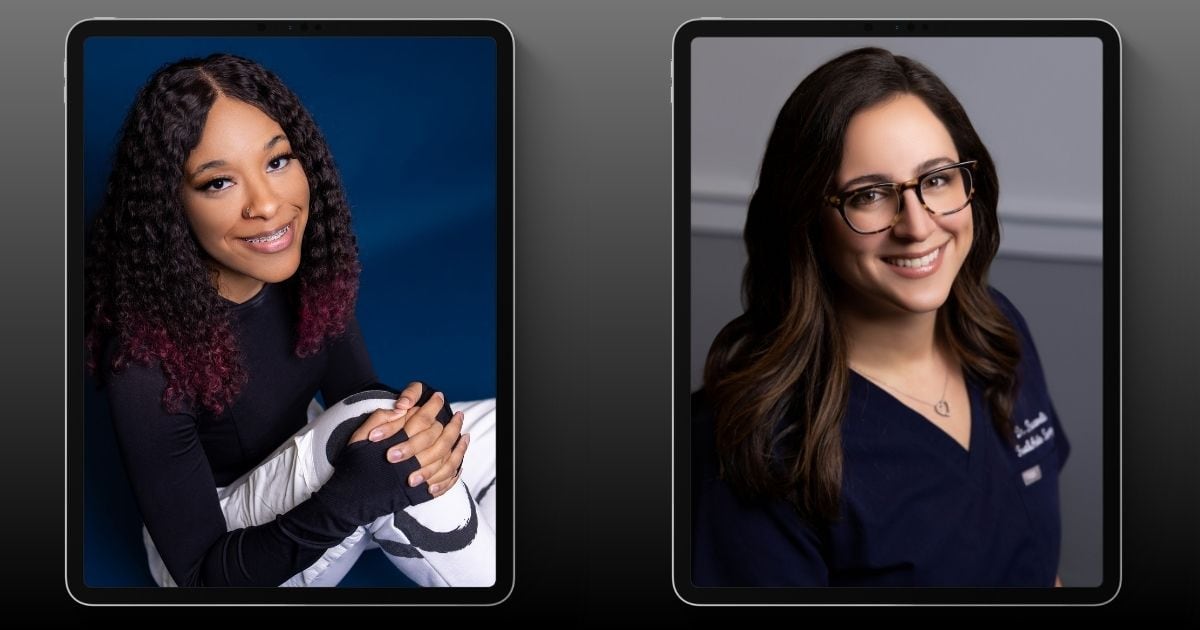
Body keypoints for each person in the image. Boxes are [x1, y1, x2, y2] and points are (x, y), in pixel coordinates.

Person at [85, 53, 497, 587]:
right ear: (171, 207)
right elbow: (200, 575)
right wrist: (349, 499)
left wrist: (424, 434)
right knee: (385, 438)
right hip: (233, 560)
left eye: (277, 162)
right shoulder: (143, 363)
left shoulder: (308, 268)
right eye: (218, 183)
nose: (267, 204)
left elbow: (358, 394)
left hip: (319, 481)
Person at [692, 47, 1069, 587]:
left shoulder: (999, 329)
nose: (916, 225)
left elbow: (1040, 570)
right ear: (806, 220)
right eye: (870, 195)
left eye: (938, 179)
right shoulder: (754, 443)